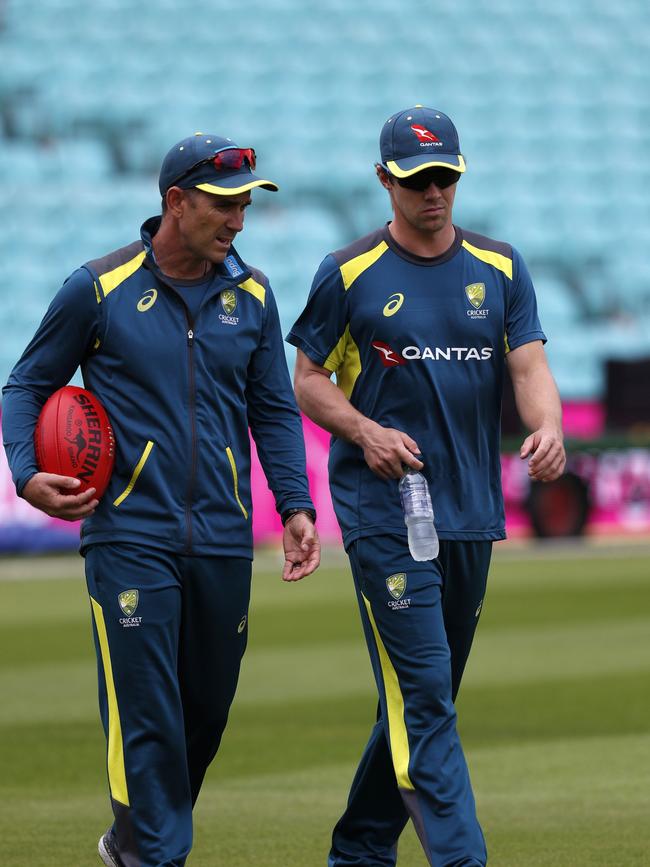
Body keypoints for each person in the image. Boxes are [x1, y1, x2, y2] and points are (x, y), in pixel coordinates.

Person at [2, 132, 320, 867]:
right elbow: (25, 386)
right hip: (128, 536)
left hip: (223, 537)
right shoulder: (97, 287)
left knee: (203, 715)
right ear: (175, 201)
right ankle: (155, 856)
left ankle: (131, 841)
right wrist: (25, 471)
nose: (237, 218)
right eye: (222, 203)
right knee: (147, 716)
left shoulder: (255, 293)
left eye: (245, 202)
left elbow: (272, 410)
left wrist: (296, 505)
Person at [287, 105, 565, 866]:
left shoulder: (501, 267)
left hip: (472, 514)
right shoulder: (348, 273)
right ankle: (460, 858)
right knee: (426, 701)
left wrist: (548, 427)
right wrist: (365, 432)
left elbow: (530, 365)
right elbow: (307, 380)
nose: (433, 192)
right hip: (384, 515)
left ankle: (361, 848)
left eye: (445, 176)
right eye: (416, 180)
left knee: (423, 700)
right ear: (384, 180)